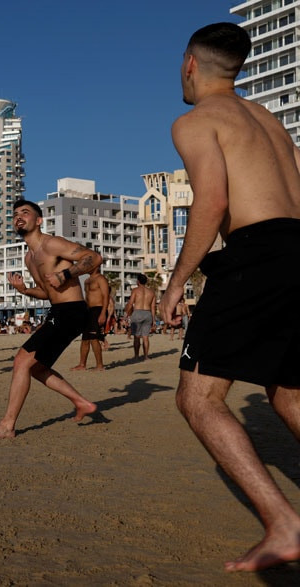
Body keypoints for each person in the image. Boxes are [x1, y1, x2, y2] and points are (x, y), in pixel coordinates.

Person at [159, 22, 300, 572]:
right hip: (296, 248)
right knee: (289, 392)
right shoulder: (269, 120)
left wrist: (177, 282)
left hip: (257, 254)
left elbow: (212, 202)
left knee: (198, 399)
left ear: (190, 63)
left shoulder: (196, 121)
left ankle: (284, 524)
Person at [0, 199, 99, 439]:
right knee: (36, 368)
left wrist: (67, 273)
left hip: (71, 310)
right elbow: (47, 291)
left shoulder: (52, 244)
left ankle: (7, 425)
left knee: (21, 362)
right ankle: (81, 402)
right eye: (15, 214)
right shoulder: (29, 259)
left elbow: (93, 258)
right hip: (58, 311)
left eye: (25, 212)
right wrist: (24, 291)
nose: (18, 217)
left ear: (39, 220)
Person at [71, 265, 110, 371]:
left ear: (95, 267)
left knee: (93, 338)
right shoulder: (87, 280)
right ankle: (82, 365)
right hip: (88, 311)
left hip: (98, 309)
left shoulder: (101, 279)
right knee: (85, 339)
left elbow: (106, 296)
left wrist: (103, 313)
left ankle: (100, 365)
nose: (86, 267)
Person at [125, 274, 156, 361]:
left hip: (137, 312)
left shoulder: (135, 290)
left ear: (138, 281)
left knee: (137, 336)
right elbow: (153, 307)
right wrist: (153, 320)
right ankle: (146, 356)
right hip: (147, 313)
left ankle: (136, 356)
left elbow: (130, 303)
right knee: (145, 337)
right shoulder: (151, 292)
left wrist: (126, 315)